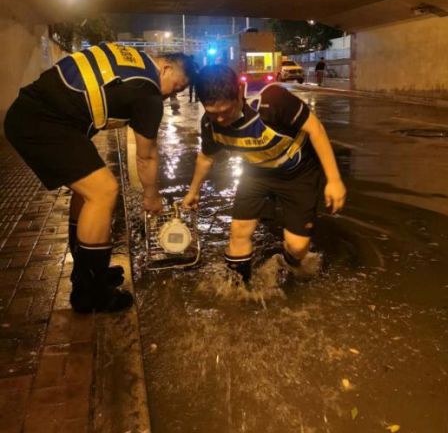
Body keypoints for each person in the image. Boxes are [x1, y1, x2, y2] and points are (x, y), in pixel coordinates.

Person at [4, 42, 194, 313]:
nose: (169, 97)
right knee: (103, 191)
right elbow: (146, 156)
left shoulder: (132, 58)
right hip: (44, 121)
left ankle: (90, 274)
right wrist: (152, 196)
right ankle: (91, 293)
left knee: (88, 190)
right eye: (175, 88)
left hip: (35, 113)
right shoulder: (148, 92)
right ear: (164, 68)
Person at [182, 64, 346, 283]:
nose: (220, 120)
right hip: (255, 174)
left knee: (297, 247)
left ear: (239, 93)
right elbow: (206, 157)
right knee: (239, 231)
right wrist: (193, 192)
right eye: (213, 114)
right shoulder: (210, 125)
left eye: (225, 112)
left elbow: (315, 129)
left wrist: (334, 180)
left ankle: (287, 263)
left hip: (298, 174)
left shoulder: (272, 100)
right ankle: (238, 290)